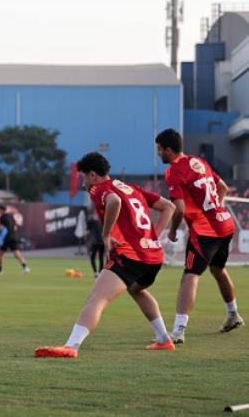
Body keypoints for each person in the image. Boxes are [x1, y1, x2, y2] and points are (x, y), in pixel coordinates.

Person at [35, 152, 176, 358]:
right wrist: (154, 237)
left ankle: (71, 346)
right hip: (153, 257)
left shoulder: (100, 188)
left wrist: (106, 234)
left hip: (131, 256)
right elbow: (169, 207)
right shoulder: (132, 189)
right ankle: (164, 339)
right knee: (136, 290)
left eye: (83, 177)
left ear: (93, 175)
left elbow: (114, 202)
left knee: (96, 299)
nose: (83, 183)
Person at [155, 128, 244, 343]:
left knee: (190, 275)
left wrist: (174, 229)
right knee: (217, 269)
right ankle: (233, 314)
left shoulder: (173, 171)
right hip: (225, 223)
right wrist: (215, 209)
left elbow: (180, 209)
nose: (158, 154)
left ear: (168, 150)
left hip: (205, 230)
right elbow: (222, 187)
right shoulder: (198, 162)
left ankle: (178, 330)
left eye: (159, 150)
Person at [0, 205, 30, 275]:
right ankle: (25, 268)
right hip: (13, 236)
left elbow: (1, 227)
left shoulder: (1, 217)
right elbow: (15, 227)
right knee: (16, 253)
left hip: (6, 237)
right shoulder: (11, 216)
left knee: (1, 255)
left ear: (1, 210)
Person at [86, 212, 105, 277]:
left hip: (96, 242)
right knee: (100, 257)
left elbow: (87, 232)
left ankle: (97, 272)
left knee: (95, 257)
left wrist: (87, 240)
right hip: (100, 242)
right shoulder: (102, 220)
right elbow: (87, 231)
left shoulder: (93, 221)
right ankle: (98, 272)